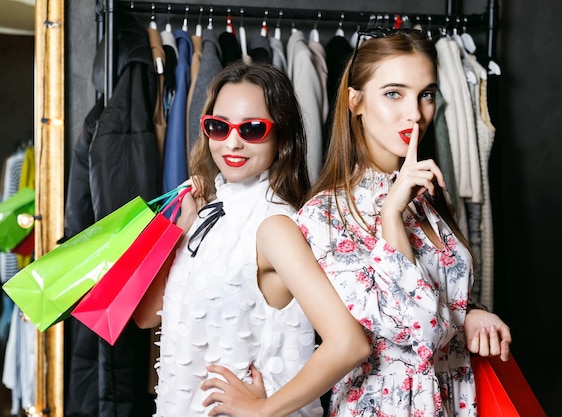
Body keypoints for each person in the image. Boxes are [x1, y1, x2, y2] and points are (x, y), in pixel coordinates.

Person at [291, 29, 512, 416]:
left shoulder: (428, 195)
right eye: (394, 93)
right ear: (354, 102)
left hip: (455, 398)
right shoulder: (325, 214)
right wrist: (391, 215)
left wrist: (473, 312)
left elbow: (444, 298)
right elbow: (413, 330)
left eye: (426, 94)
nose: (415, 112)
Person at [133, 61, 370, 417]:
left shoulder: (273, 225)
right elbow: (146, 317)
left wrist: (263, 410)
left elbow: (350, 344)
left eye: (253, 129)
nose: (232, 142)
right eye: (218, 126)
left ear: (282, 135)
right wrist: (178, 230)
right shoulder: (207, 211)